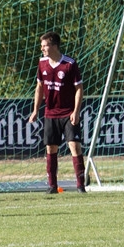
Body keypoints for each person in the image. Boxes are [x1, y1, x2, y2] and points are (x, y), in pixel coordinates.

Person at [28, 31, 86, 193]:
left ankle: (81, 185)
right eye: (42, 46)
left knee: (74, 145)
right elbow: (39, 87)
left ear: (54, 46)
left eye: (45, 46)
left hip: (68, 112)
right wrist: (35, 110)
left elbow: (79, 88)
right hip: (50, 113)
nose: (42, 49)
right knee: (51, 148)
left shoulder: (69, 64)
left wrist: (76, 111)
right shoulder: (42, 63)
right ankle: (52, 185)